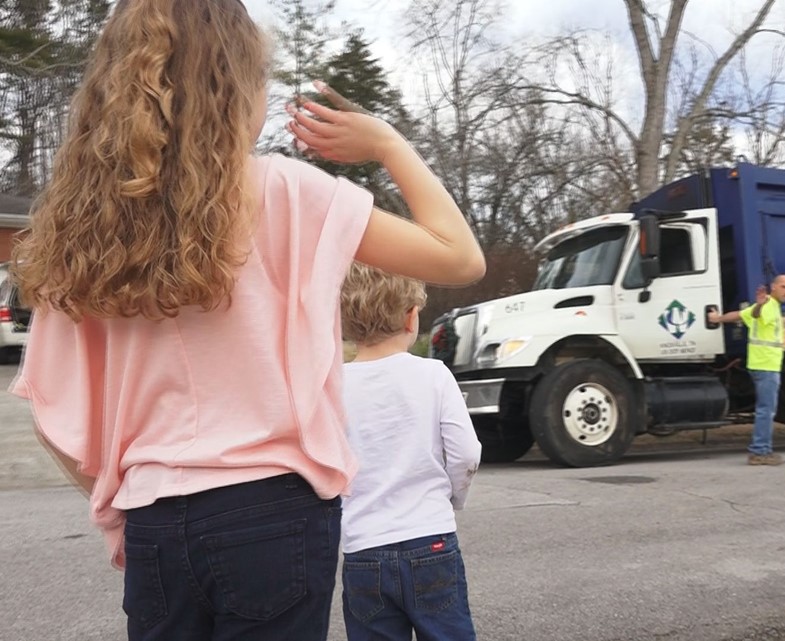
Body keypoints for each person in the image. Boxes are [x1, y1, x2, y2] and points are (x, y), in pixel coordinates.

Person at [8, 1, 484, 640]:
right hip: (275, 511)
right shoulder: (284, 191)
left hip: (153, 519)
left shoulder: (86, 230)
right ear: (234, 90)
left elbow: (53, 418)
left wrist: (124, 502)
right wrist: (386, 143)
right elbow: (459, 257)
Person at [338, 264, 482, 641]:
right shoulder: (434, 375)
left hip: (363, 549)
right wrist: (454, 497)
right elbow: (466, 453)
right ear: (410, 316)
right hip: (430, 537)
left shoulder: (333, 386)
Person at [708, 275, 785, 466]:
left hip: (761, 365)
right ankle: (760, 451)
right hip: (766, 366)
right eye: (783, 287)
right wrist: (759, 305)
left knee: (765, 409)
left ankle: (761, 449)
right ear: (773, 287)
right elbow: (756, 314)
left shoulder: (771, 305)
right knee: (766, 410)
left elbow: (739, 315)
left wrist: (718, 318)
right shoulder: (768, 306)